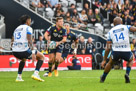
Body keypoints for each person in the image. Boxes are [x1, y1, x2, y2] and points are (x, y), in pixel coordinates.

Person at [100, 17, 136, 83]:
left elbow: (108, 48)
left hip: (116, 51)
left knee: (110, 63)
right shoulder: (126, 27)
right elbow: (134, 29)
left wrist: (104, 60)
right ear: (121, 22)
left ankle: (103, 77)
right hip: (126, 51)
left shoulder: (110, 31)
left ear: (113, 24)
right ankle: (127, 74)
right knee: (131, 59)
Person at [11, 15, 45, 82]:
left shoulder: (17, 28)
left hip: (15, 51)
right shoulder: (28, 28)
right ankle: (36, 74)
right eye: (30, 20)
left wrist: (14, 48)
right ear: (27, 21)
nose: (30, 22)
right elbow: (29, 40)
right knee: (41, 57)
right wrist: (33, 52)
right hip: (23, 50)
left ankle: (19, 77)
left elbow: (12, 40)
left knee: (23, 59)